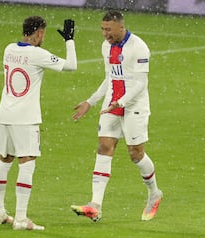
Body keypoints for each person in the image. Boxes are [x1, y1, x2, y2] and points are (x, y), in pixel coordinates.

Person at [71, 10, 162, 222]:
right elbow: (110, 78)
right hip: (111, 104)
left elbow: (141, 83)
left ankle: (154, 193)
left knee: (135, 154)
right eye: (102, 29)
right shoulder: (106, 47)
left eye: (108, 30)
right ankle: (95, 205)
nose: (105, 34)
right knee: (104, 147)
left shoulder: (138, 47)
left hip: (134, 105)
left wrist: (120, 102)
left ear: (121, 27)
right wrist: (90, 102)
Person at [0, 16, 76, 231]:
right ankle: (21, 218)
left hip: (5, 114)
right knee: (27, 163)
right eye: (43, 34)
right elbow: (71, 66)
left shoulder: (9, 49)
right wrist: (70, 40)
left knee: (5, 160)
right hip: (25, 118)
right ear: (39, 32)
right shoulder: (38, 54)